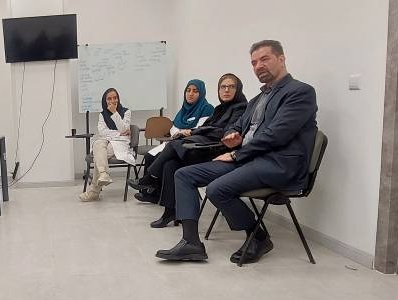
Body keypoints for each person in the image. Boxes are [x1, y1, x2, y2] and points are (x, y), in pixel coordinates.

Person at [156, 40, 317, 263]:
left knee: (216, 189)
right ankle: (191, 242)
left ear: (281, 59)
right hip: (249, 161)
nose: (258, 66)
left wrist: (236, 154)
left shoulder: (300, 92)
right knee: (183, 174)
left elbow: (277, 135)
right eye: (254, 62)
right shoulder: (257, 99)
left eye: (264, 59)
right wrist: (232, 135)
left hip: (278, 163)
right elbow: (236, 125)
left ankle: (258, 236)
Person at [137, 74, 249, 226]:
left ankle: (150, 178)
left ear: (238, 89)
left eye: (231, 87)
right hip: (206, 147)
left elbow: (223, 132)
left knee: (172, 145)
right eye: (223, 87)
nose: (226, 90)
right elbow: (207, 127)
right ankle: (170, 212)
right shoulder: (220, 108)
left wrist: (193, 132)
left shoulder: (241, 108)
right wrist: (193, 132)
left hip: (219, 151)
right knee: (170, 165)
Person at [79, 88, 136, 202]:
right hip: (106, 140)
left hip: (120, 143)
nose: (113, 100)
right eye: (109, 99)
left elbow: (123, 128)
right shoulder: (102, 115)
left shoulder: (126, 112)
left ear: (118, 98)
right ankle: (103, 174)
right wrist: (118, 133)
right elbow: (102, 132)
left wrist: (115, 113)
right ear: (105, 101)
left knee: (99, 155)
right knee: (97, 143)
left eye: (115, 98)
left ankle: (94, 191)